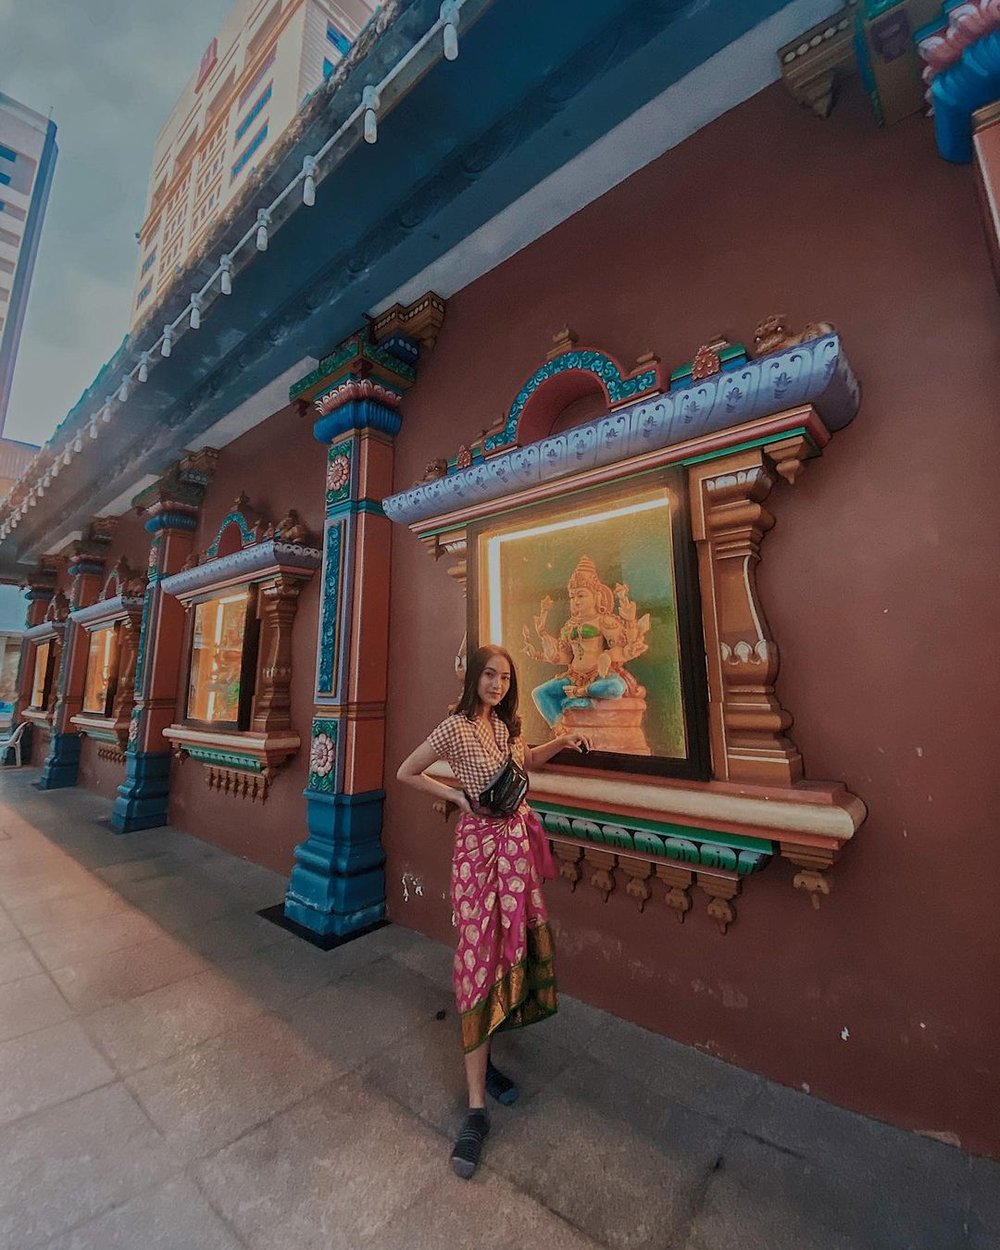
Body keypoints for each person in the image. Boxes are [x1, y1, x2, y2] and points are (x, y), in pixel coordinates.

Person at [396, 643, 589, 1178]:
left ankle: (489, 1055)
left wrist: (562, 741)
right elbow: (406, 771)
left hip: (515, 846)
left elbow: (523, 761)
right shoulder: (454, 727)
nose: (497, 684)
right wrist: (457, 797)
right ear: (473, 678)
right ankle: (476, 1106)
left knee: (512, 947)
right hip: (479, 852)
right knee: (478, 957)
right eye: (489, 675)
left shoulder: (504, 727)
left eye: (505, 677)